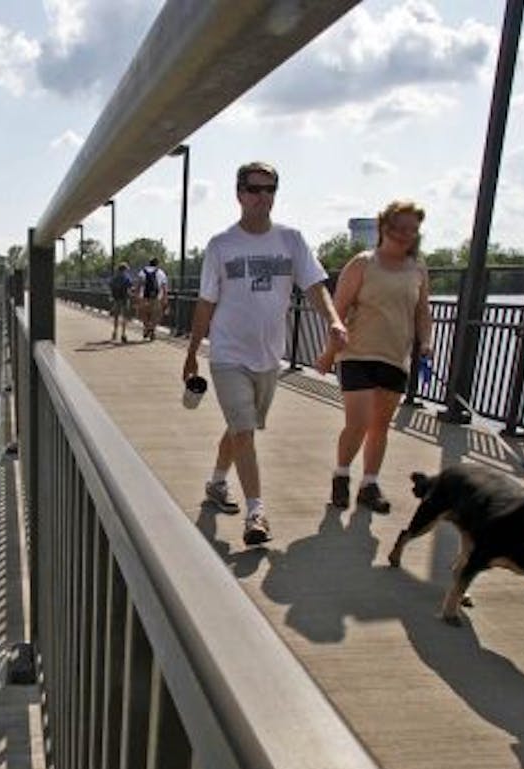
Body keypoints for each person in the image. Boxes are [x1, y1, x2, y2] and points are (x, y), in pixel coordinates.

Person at [183, 161, 348, 545]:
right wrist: (192, 352)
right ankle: (257, 513)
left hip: (268, 356)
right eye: (255, 190)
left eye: (270, 190)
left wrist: (334, 321)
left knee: (241, 427)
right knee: (244, 430)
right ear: (239, 194)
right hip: (227, 354)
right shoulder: (221, 245)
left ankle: (217, 483)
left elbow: (315, 286)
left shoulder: (291, 240)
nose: (263, 198)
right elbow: (206, 303)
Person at [321, 200, 434, 513]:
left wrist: (426, 342)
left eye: (412, 229)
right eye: (399, 228)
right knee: (357, 422)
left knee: (380, 426)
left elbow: (423, 311)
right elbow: (337, 310)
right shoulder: (363, 263)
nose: (404, 235)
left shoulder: (418, 267)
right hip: (356, 352)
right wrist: (329, 353)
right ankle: (341, 475)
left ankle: (369, 484)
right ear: (384, 226)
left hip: (395, 356)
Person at [136, 257, 169, 340]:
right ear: (157, 264)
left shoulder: (142, 272)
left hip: (144, 296)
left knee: (144, 313)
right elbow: (164, 286)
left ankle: (147, 327)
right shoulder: (161, 273)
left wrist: (137, 296)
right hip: (156, 297)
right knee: (156, 314)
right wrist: (165, 297)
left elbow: (139, 285)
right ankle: (152, 330)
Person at [108, 262, 134, 342]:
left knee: (116, 317)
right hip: (125, 299)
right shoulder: (127, 277)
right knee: (124, 317)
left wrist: (111, 296)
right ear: (125, 269)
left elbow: (110, 286)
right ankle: (123, 334)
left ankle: (115, 332)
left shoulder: (114, 278)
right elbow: (130, 287)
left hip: (116, 299)